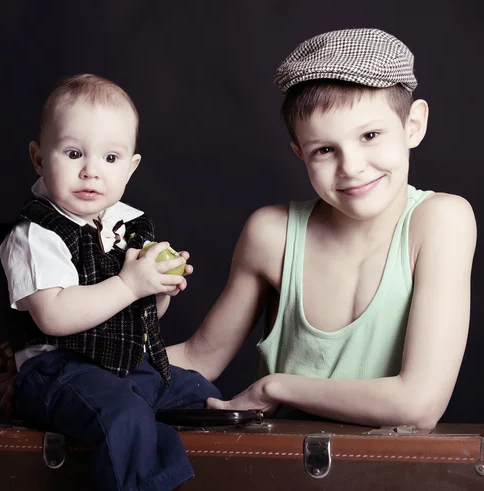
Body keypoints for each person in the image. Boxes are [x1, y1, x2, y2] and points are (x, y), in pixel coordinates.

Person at [166, 28, 477, 430]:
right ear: (300, 151)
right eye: (325, 150)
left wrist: (275, 388)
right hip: (279, 472)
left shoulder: (439, 221)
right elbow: (197, 358)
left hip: (388, 474)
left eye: (370, 135)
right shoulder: (272, 234)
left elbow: (419, 403)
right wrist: (85, 350)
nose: (351, 167)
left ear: (413, 124)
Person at [0, 73, 221, 491]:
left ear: (131, 166)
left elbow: (139, 312)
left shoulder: (127, 223)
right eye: (74, 153)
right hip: (56, 370)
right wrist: (130, 285)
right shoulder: (35, 234)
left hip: (121, 366)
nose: (91, 172)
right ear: (40, 158)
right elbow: (54, 316)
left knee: (202, 394)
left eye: (110, 159)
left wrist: (156, 288)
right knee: (125, 414)